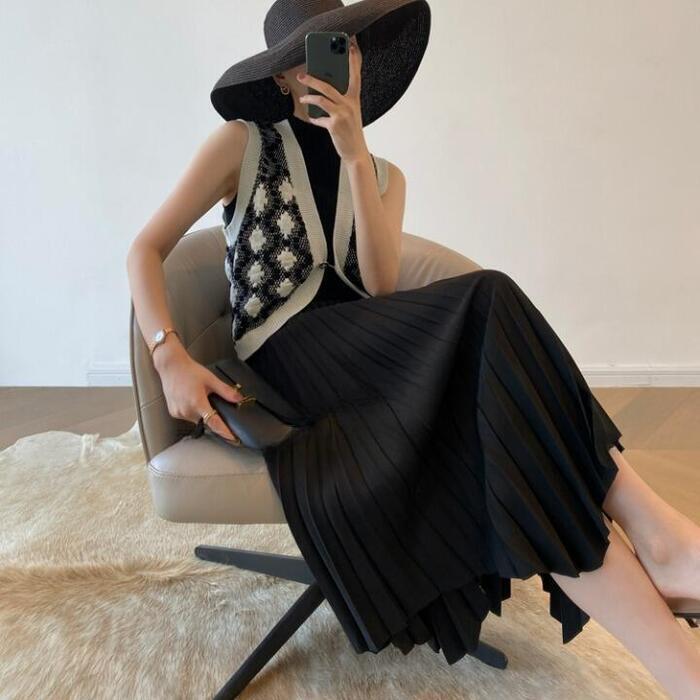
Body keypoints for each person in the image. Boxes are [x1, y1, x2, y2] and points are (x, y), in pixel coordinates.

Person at [126, 0, 700, 695]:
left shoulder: (384, 175)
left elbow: (378, 284)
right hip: (286, 360)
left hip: (372, 360)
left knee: (519, 446)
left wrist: (354, 155)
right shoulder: (243, 145)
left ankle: (682, 671)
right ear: (280, 78)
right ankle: (659, 533)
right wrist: (169, 355)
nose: (329, 67)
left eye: (342, 48)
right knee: (490, 296)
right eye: (307, 57)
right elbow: (145, 249)